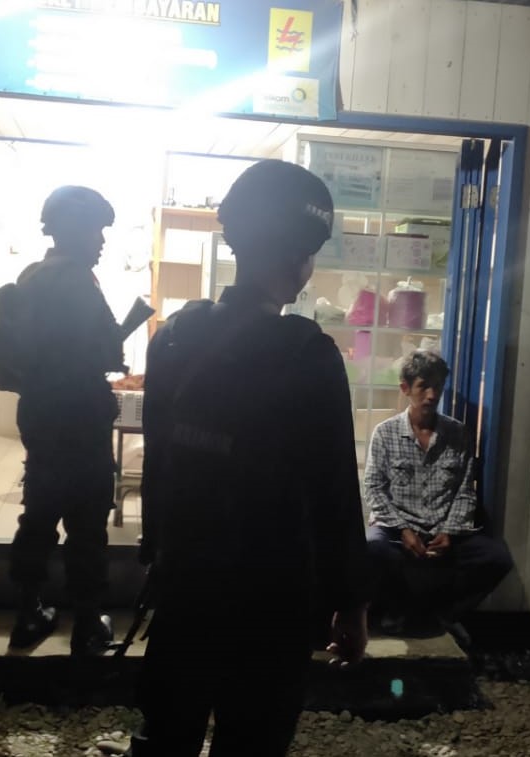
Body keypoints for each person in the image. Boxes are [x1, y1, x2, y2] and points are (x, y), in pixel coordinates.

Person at [127, 160, 370, 757]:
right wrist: (350, 602)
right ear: (300, 258)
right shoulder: (309, 356)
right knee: (253, 739)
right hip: (273, 598)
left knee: (168, 735)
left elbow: (158, 466)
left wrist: (156, 554)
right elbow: (335, 492)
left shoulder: (174, 337)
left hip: (186, 585)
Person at [6, 185, 125, 657]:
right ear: (73, 230)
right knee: (87, 523)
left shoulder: (30, 277)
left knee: (37, 516)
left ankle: (28, 613)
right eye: (96, 230)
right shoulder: (78, 281)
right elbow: (107, 349)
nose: (102, 241)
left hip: (40, 415)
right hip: (81, 418)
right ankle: (88, 623)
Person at [363, 349, 513, 647]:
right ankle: (395, 609)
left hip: (443, 529)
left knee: (496, 558)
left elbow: (465, 491)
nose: (432, 395)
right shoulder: (385, 433)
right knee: (371, 549)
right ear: (406, 388)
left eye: (438, 386)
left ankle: (444, 614)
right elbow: (374, 488)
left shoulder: (458, 434)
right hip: (397, 529)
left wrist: (449, 531)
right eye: (423, 386)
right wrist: (403, 529)